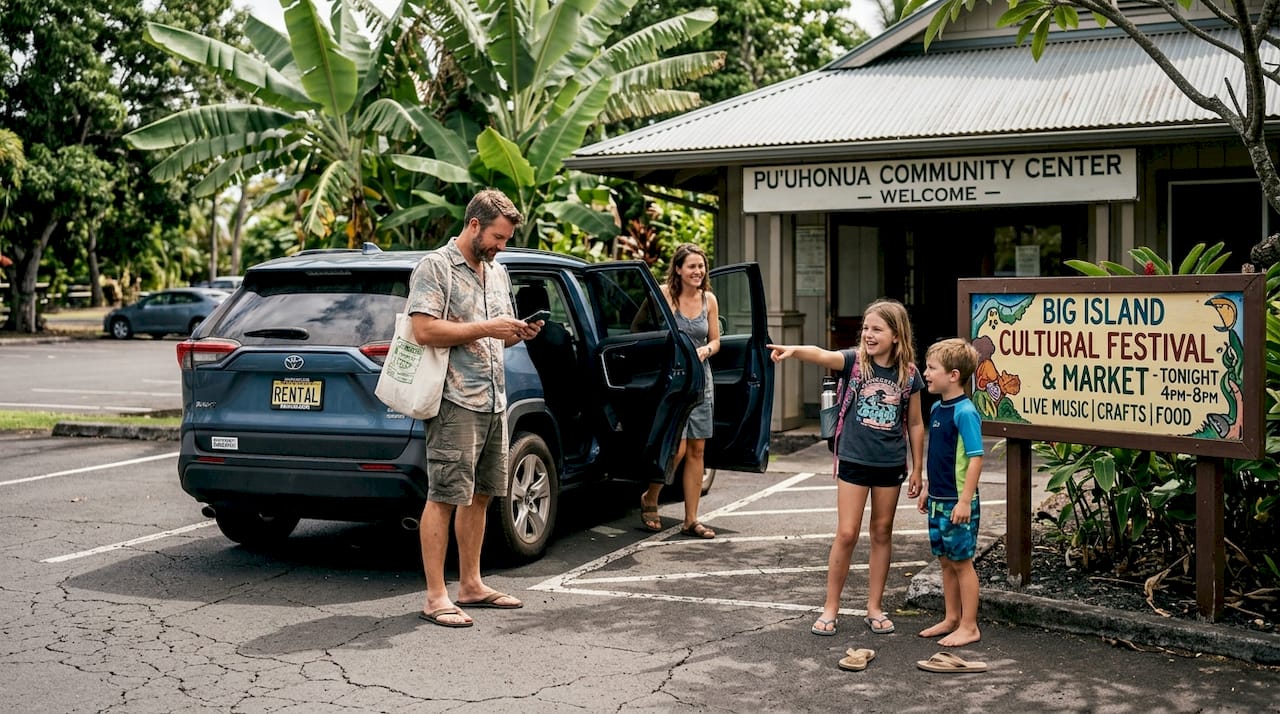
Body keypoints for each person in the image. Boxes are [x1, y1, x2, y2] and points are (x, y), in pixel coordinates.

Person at [408, 189, 542, 628]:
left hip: (494, 399)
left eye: (504, 240)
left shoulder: (496, 271)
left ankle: (471, 584)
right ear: (473, 225)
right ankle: (434, 596)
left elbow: (498, 333)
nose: (501, 246)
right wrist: (488, 327)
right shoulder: (436, 266)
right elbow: (424, 330)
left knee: (482, 495)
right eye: (497, 238)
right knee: (444, 496)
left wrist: (517, 332)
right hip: (454, 400)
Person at [767, 298, 925, 637]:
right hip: (853, 458)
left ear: (896, 335)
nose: (868, 334)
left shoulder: (909, 374)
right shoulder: (854, 362)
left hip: (890, 463)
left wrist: (917, 469)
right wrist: (793, 351)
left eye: (876, 329)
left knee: (882, 532)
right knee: (847, 533)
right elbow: (821, 354)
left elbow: (914, 423)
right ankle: (830, 607)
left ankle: (875, 607)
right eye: (865, 328)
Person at [638, 243, 721, 539]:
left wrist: (705, 351)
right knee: (677, 446)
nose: (697, 272)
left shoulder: (709, 299)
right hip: (672, 380)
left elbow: (716, 341)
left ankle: (691, 520)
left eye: (701, 266)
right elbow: (642, 328)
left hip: (701, 379)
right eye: (691, 266)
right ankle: (651, 495)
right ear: (678, 269)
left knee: (697, 449)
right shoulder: (664, 295)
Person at [916, 337, 985, 647]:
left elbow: (975, 457)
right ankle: (951, 618)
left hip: (958, 503)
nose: (926, 373)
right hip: (939, 501)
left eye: (932, 368)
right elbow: (939, 454)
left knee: (962, 562)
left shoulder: (965, 412)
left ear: (953, 375)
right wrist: (928, 488)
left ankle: (969, 625)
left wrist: (966, 500)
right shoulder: (937, 409)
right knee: (945, 561)